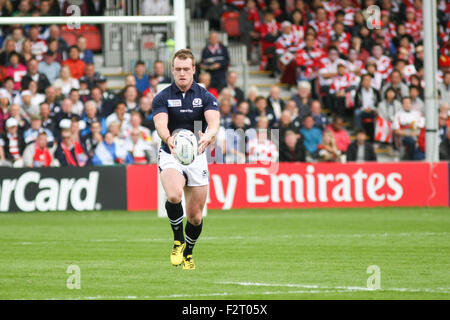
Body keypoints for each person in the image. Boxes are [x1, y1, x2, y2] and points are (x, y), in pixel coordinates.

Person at [152, 49, 220, 270]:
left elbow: (214, 122)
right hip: (171, 152)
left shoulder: (205, 96)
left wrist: (208, 136)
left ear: (193, 70)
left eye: (186, 69)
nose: (182, 73)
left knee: (196, 217)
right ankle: (178, 241)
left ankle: (188, 252)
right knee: (173, 195)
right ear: (173, 70)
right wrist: (168, 137)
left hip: (197, 156)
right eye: (178, 69)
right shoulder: (162, 97)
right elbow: (160, 123)